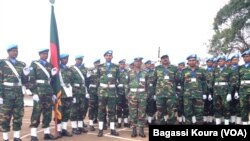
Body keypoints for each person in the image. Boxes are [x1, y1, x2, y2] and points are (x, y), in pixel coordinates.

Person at [0, 44, 30, 141]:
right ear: (8, 52)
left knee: (18, 115)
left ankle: (17, 137)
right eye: (13, 51)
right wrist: (0, 95)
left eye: (16, 51)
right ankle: (5, 138)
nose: (15, 53)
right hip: (6, 93)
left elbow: (24, 81)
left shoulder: (22, 64)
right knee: (5, 117)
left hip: (18, 93)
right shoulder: (2, 63)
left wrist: (26, 75)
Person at [28, 48, 57, 141]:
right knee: (36, 113)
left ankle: (47, 133)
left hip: (48, 92)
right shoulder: (34, 64)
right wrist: (34, 92)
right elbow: (31, 78)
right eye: (43, 54)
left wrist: (53, 93)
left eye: (46, 54)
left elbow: (51, 81)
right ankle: (33, 135)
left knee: (47, 113)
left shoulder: (49, 65)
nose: (45, 55)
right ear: (39, 54)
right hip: (39, 92)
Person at [97, 50, 119, 137]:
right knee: (101, 110)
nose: (109, 57)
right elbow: (97, 78)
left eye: (110, 55)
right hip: (102, 91)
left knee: (112, 110)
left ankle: (113, 129)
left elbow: (118, 78)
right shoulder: (100, 66)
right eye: (107, 56)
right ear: (104, 57)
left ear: (112, 57)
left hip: (112, 91)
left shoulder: (116, 67)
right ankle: (100, 129)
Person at [182, 54, 207, 124]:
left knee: (199, 112)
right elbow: (181, 82)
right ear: (188, 62)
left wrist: (204, 93)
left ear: (196, 61)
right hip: (187, 95)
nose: (192, 62)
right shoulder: (184, 71)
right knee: (187, 112)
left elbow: (205, 82)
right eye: (190, 60)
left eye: (193, 60)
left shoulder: (202, 70)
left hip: (198, 95)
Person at [126, 57, 147, 138]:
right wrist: (127, 94)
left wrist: (146, 94)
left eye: (139, 61)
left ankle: (141, 130)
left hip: (142, 94)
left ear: (141, 63)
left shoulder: (145, 73)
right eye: (136, 61)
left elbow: (147, 85)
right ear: (134, 63)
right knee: (133, 112)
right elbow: (126, 84)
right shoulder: (129, 72)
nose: (138, 63)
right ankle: (134, 129)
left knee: (142, 112)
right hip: (132, 94)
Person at [154, 54, 178, 125]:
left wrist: (176, 92)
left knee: (171, 110)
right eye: (163, 58)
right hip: (160, 93)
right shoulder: (157, 68)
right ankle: (161, 122)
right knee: (160, 109)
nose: (165, 59)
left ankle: (171, 122)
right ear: (161, 60)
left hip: (171, 93)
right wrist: (155, 93)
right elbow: (154, 80)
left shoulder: (174, 68)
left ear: (168, 59)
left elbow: (177, 80)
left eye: (166, 58)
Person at [70, 55, 89, 134]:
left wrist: (87, 92)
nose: (79, 61)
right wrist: (72, 93)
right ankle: (74, 128)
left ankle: (80, 127)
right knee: (74, 110)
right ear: (75, 60)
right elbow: (69, 80)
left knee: (82, 109)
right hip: (75, 91)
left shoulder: (85, 69)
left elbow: (87, 81)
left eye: (81, 59)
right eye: (78, 59)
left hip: (82, 91)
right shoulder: (71, 69)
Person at [56, 54, 73, 137]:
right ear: (60, 60)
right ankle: (58, 130)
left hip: (68, 93)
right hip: (61, 93)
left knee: (67, 112)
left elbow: (71, 81)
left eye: (66, 58)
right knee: (60, 111)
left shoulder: (69, 69)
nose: (65, 60)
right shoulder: (57, 68)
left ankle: (64, 129)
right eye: (63, 59)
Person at [213, 56, 232, 125]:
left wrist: (229, 93)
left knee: (226, 107)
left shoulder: (229, 70)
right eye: (218, 61)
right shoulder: (215, 70)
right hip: (216, 91)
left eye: (221, 61)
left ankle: (226, 122)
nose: (219, 62)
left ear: (225, 61)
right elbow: (212, 82)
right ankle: (218, 122)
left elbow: (232, 82)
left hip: (225, 91)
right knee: (217, 106)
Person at [87, 59, 100, 131]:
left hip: (100, 91)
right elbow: (86, 81)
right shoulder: (90, 71)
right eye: (96, 63)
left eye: (98, 63)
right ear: (94, 63)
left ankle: (97, 119)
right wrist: (87, 91)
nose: (97, 64)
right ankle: (91, 123)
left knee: (99, 106)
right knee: (91, 107)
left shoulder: (101, 71)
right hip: (92, 91)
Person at [116, 59, 129, 128]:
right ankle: (119, 122)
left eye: (123, 64)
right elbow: (113, 80)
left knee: (126, 107)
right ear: (119, 65)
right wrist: (118, 84)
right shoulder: (116, 72)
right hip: (119, 92)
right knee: (119, 107)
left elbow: (129, 81)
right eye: (121, 64)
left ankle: (126, 121)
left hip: (126, 92)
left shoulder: (128, 72)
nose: (122, 65)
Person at [229, 54, 241, 125]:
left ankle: (238, 122)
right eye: (233, 59)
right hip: (230, 90)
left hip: (240, 90)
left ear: (238, 60)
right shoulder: (228, 69)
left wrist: (237, 91)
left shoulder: (241, 68)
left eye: (236, 59)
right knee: (231, 105)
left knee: (239, 106)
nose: (235, 61)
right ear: (231, 61)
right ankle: (232, 121)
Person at [239, 50, 250, 125]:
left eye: (247, 56)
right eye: (244, 57)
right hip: (243, 90)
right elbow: (238, 79)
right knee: (243, 107)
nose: (245, 58)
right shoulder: (240, 67)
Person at [144, 60, 156, 125]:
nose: (149, 65)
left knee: (151, 107)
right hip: (144, 93)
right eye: (148, 64)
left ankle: (150, 121)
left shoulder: (153, 72)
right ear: (145, 64)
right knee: (144, 107)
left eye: (150, 64)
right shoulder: (142, 72)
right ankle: (146, 119)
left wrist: (155, 93)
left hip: (152, 92)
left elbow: (155, 83)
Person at [203, 58, 214, 125]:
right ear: (206, 63)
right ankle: (205, 120)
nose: (209, 63)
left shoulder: (215, 71)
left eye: (211, 62)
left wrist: (210, 93)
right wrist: (204, 92)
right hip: (205, 91)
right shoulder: (204, 71)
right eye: (208, 62)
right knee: (204, 105)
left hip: (213, 91)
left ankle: (210, 120)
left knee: (211, 105)